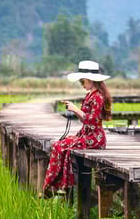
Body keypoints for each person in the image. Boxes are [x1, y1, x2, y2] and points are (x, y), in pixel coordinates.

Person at [42, 60, 112, 196]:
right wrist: (74, 110)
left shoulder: (97, 97)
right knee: (60, 144)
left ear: (90, 80)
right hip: (87, 134)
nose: (81, 84)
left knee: (59, 146)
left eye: (82, 81)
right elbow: (84, 120)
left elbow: (91, 122)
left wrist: (75, 109)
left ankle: (54, 186)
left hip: (95, 138)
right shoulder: (91, 95)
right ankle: (55, 186)